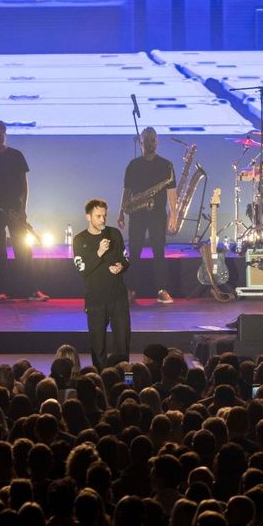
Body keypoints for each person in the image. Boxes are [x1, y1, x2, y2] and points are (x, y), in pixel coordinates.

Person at [0, 119, 48, 302]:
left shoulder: (16, 155)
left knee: (23, 249)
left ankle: (31, 290)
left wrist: (23, 209)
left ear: (5, 135)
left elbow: (24, 185)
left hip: (15, 208)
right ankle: (1, 290)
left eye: (1, 134)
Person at [117, 127, 178, 305]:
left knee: (159, 252)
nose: (151, 142)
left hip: (158, 214)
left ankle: (162, 290)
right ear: (141, 142)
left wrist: (174, 215)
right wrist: (121, 212)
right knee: (134, 253)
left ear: (157, 141)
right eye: (147, 139)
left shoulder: (166, 165)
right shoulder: (133, 165)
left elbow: (171, 193)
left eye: (153, 139)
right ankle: (131, 290)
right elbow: (126, 191)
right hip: (136, 213)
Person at [73, 199, 131, 369]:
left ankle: (126, 382)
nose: (103, 220)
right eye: (98, 216)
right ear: (88, 217)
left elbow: (125, 259)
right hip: (96, 301)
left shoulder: (115, 234)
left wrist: (121, 266)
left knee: (123, 343)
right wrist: (99, 252)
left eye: (104, 216)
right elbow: (82, 269)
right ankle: (101, 380)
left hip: (118, 298)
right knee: (98, 346)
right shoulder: (79, 239)